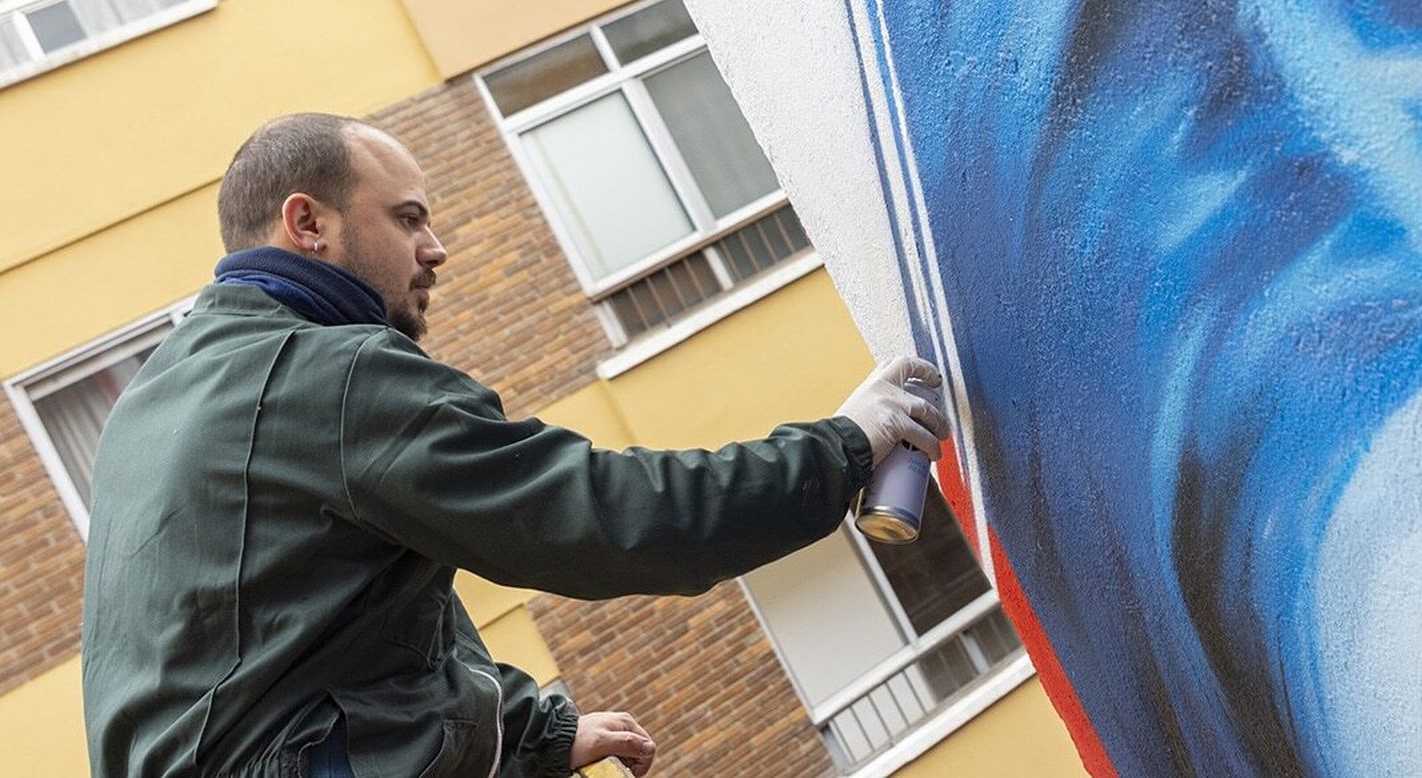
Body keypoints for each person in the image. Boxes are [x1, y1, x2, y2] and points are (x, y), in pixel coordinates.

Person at [81, 112, 948, 778]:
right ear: (308, 223)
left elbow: (361, 616)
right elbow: (605, 516)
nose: (436, 250)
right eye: (408, 218)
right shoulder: (331, 378)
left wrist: (536, 732)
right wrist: (844, 447)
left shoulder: (159, 397)